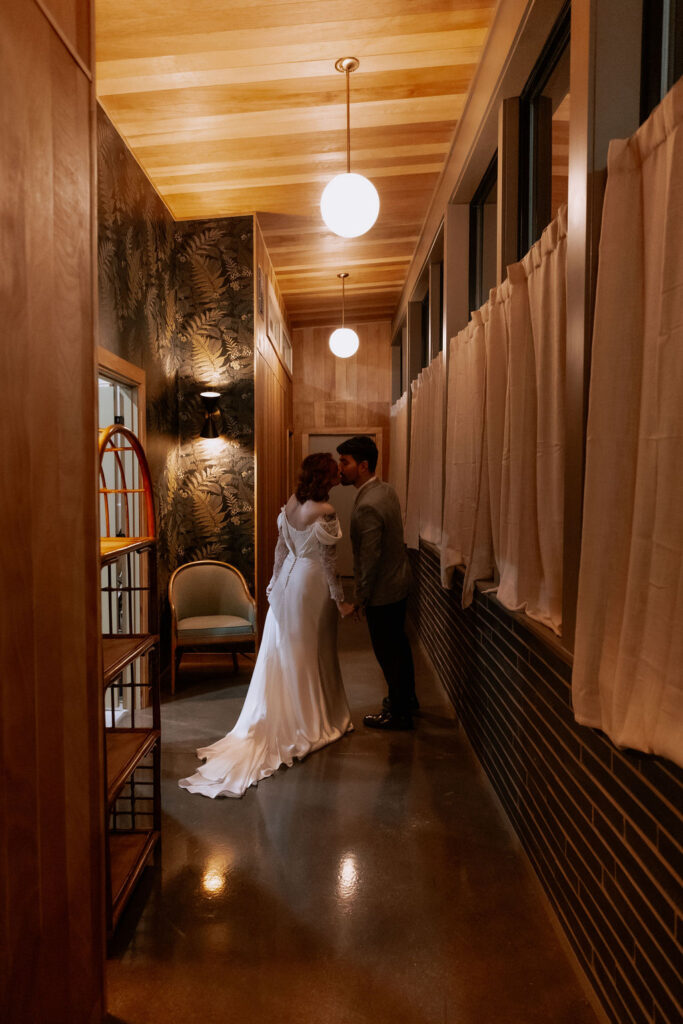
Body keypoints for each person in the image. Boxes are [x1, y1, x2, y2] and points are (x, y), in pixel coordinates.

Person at [179, 452, 355, 798]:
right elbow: (329, 563)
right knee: (315, 651)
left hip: (290, 583)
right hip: (312, 585)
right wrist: (341, 601)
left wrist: (274, 585)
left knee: (292, 651)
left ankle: (298, 710)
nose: (338, 475)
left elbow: (281, 549)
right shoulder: (326, 512)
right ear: (325, 477)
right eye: (334, 472)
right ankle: (313, 719)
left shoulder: (291, 504)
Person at [337, 435, 418, 730]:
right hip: (398, 584)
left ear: (363, 465)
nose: (340, 468)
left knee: (388, 654)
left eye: (345, 462)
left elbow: (370, 558)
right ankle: (407, 700)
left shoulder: (367, 505)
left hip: (383, 592)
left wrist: (359, 598)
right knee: (399, 647)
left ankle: (398, 713)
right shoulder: (385, 490)